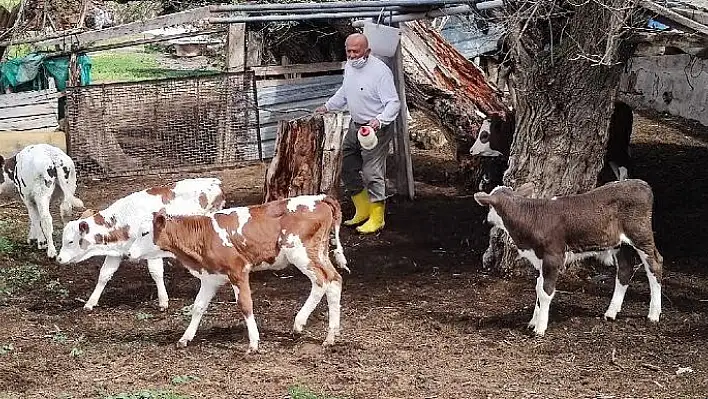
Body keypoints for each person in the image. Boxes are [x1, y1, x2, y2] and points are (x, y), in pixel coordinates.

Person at [316, 33, 401, 234]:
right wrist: (327, 107)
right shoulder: (349, 67)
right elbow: (346, 92)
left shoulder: (380, 72)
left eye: (357, 51)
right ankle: (362, 209)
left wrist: (379, 121)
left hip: (375, 128)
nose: (353, 55)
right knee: (346, 165)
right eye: (349, 51)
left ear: (367, 51)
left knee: (372, 171)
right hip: (356, 124)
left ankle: (377, 216)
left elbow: (393, 103)